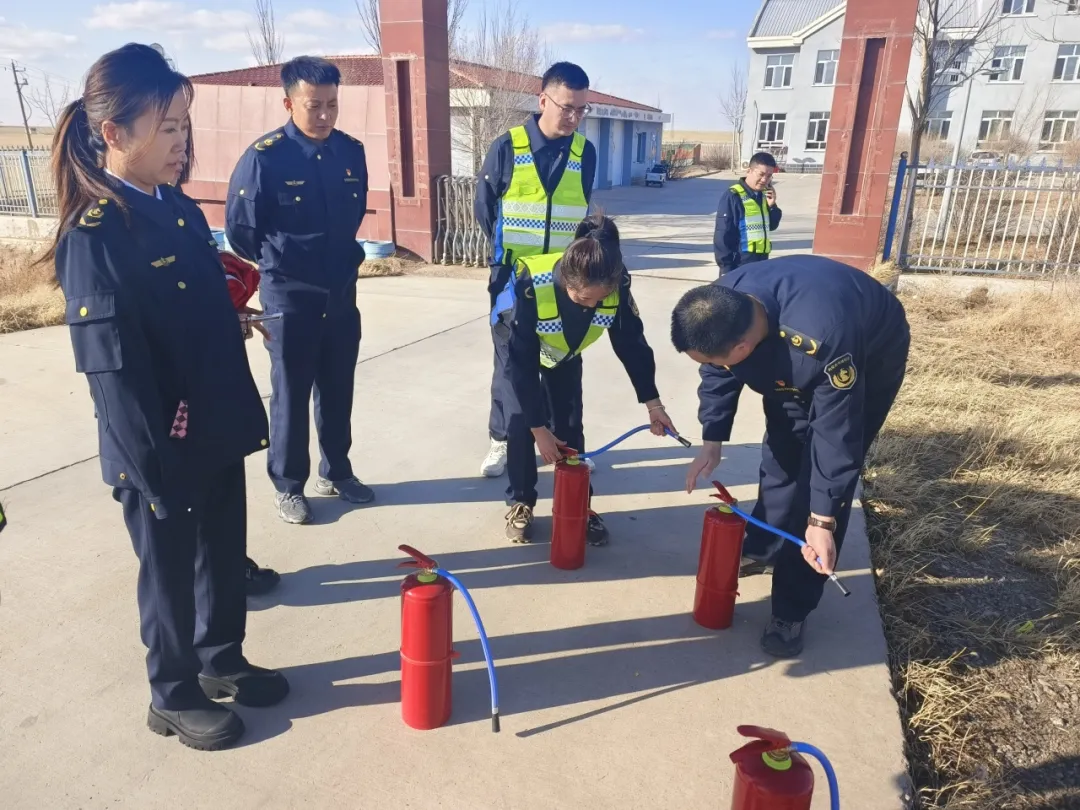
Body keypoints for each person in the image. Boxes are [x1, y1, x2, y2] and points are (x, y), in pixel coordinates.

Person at [45, 43, 288, 750]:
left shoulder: (177, 211)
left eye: (186, 124)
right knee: (171, 569)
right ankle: (173, 692)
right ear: (114, 133)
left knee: (221, 549)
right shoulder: (96, 236)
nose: (185, 142)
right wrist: (149, 471)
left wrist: (235, 320)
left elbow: (189, 308)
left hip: (211, 420)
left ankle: (221, 660)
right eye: (170, 127)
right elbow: (112, 372)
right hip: (155, 439)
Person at [671, 254, 910, 657]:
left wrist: (822, 519)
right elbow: (716, 370)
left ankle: (792, 605)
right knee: (783, 446)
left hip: (869, 349)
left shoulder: (823, 339)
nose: (711, 366)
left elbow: (837, 438)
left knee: (820, 476)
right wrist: (712, 438)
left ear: (743, 347)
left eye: (715, 359)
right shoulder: (722, 307)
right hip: (795, 336)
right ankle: (764, 544)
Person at [225, 56, 371, 526]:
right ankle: (289, 485)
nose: (325, 115)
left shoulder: (351, 152)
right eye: (315, 106)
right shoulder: (265, 158)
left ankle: (337, 471)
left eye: (332, 104)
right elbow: (241, 234)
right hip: (289, 296)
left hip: (341, 292)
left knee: (338, 386)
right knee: (290, 391)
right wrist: (283, 264)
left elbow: (354, 217)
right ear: (289, 103)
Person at [494, 214, 676, 543]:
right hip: (516, 342)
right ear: (567, 279)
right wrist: (539, 430)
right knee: (521, 419)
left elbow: (632, 344)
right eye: (583, 299)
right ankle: (521, 500)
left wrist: (654, 404)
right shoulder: (532, 286)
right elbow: (521, 366)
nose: (592, 306)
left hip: (565, 349)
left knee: (569, 424)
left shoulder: (616, 286)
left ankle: (578, 503)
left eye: (599, 300)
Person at [474, 61, 598, 480]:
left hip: (564, 284)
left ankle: (568, 443)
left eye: (582, 110)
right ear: (543, 99)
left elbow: (579, 217)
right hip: (513, 280)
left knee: (562, 361)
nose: (574, 117)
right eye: (567, 107)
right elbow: (486, 211)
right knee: (510, 365)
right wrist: (514, 264)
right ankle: (502, 439)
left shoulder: (585, 152)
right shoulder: (507, 147)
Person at [714, 152, 782, 276]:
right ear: (749, 171)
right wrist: (726, 269)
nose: (764, 180)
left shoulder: (763, 195)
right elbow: (723, 235)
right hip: (739, 265)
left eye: (769, 176)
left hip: (761, 262)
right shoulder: (733, 196)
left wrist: (772, 206)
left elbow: (771, 226)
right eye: (761, 174)